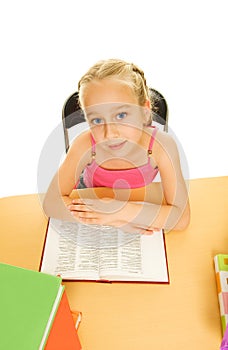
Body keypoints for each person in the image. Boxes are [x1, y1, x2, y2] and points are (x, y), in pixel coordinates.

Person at [43, 58, 190, 234]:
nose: (110, 133)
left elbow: (181, 218)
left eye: (121, 115)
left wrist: (120, 211)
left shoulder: (162, 146)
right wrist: (114, 220)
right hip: (92, 199)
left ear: (144, 112)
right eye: (97, 120)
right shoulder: (85, 145)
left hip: (134, 199)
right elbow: (51, 203)